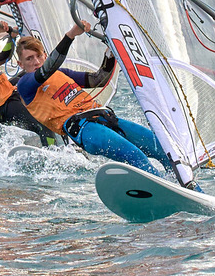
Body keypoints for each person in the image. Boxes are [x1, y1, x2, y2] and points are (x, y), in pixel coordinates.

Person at [13, 20, 177, 181]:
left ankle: (184, 184)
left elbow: (98, 79)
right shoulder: (25, 85)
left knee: (161, 148)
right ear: (21, 64)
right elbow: (48, 68)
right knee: (135, 156)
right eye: (29, 59)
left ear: (45, 55)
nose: (36, 61)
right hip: (84, 130)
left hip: (104, 118)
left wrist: (110, 53)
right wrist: (71, 35)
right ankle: (165, 189)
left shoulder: (62, 73)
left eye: (39, 56)